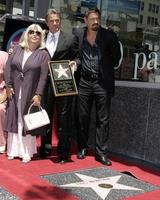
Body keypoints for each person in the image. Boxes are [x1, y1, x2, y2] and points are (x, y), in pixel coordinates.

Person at [73, 8, 121, 165]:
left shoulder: (109, 35)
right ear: (85, 20)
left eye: (97, 19)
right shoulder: (78, 33)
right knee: (82, 117)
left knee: (103, 120)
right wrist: (76, 62)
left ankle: (101, 153)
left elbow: (116, 58)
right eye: (92, 19)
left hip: (102, 83)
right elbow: (78, 55)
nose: (95, 21)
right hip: (84, 83)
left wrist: (105, 68)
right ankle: (82, 148)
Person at [4, 24, 50, 163]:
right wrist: (8, 85)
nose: (34, 35)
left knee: (26, 121)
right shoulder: (17, 49)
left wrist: (39, 94)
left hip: (31, 93)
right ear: (26, 34)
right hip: (15, 90)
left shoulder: (43, 54)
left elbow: (43, 76)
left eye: (38, 33)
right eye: (31, 32)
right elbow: (8, 68)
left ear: (41, 36)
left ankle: (26, 152)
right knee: (14, 119)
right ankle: (13, 150)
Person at [40, 9, 78, 163]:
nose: (55, 23)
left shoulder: (70, 38)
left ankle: (63, 153)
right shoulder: (40, 38)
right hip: (45, 83)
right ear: (47, 22)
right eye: (52, 21)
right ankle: (45, 149)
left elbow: (78, 56)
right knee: (46, 116)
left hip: (63, 82)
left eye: (57, 20)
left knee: (64, 118)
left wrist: (75, 63)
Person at [0, 50, 8, 153]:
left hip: (1, 92)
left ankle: (2, 142)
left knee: (0, 109)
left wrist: (5, 94)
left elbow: (9, 78)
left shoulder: (4, 55)